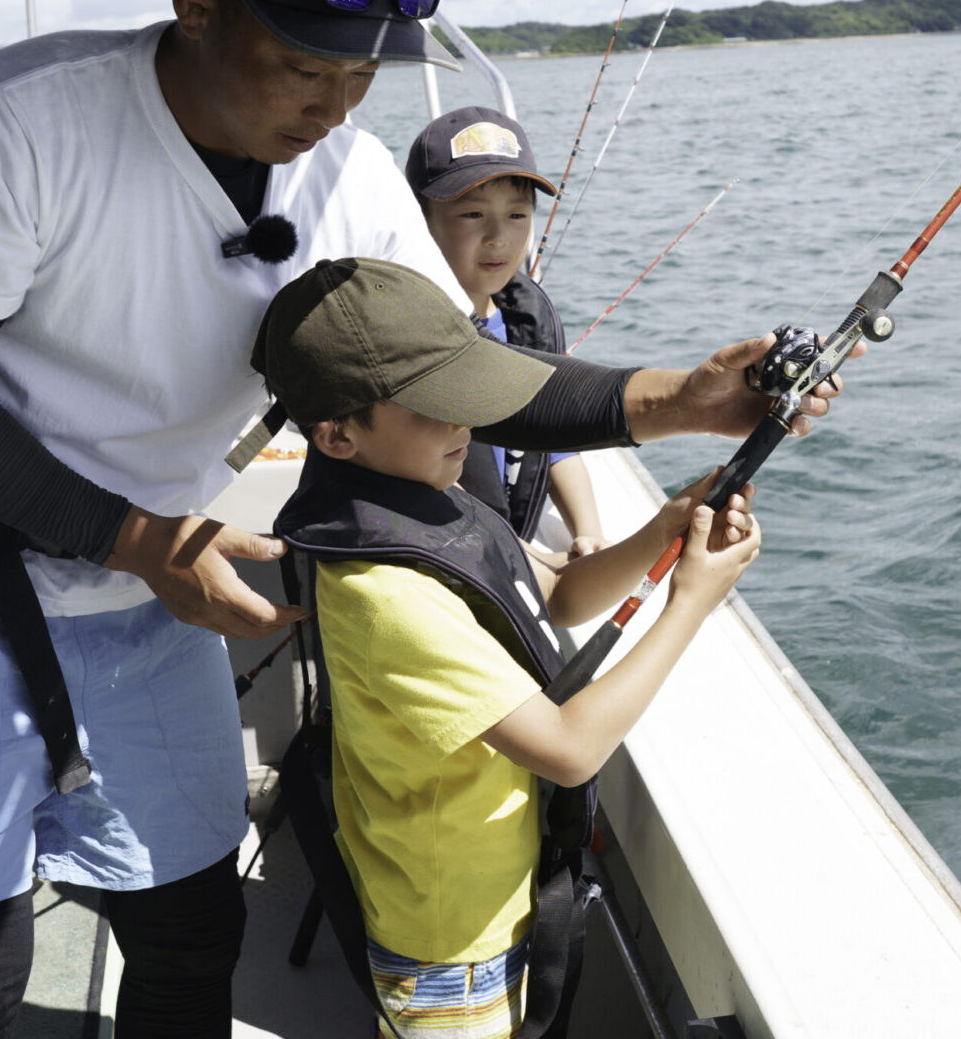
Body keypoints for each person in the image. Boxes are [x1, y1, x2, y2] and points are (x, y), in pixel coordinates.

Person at [0, 0, 853, 1038]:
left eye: (361, 74)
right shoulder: (15, 119)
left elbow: (465, 379)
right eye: (305, 66)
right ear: (196, 7)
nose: (333, 106)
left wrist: (681, 399)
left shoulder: (351, 172)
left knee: (193, 933)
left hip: (156, 584)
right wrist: (132, 536)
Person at [256, 258, 760, 1039]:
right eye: (437, 406)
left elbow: (558, 590)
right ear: (337, 435)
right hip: (449, 941)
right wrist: (690, 603)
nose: (466, 423)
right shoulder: (382, 593)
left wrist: (666, 526)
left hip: (497, 891)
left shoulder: (431, 494)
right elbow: (567, 749)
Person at [406, 106, 605, 554]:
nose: (498, 236)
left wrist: (587, 532)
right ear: (420, 221)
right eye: (473, 215)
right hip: (441, 554)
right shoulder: (404, 331)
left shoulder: (526, 321)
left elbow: (556, 443)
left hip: (509, 551)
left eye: (517, 216)